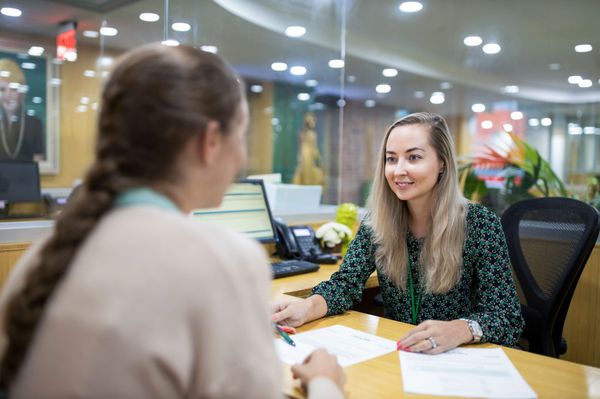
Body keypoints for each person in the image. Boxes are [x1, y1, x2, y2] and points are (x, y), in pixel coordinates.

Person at [0, 44, 345, 398]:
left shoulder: (41, 259)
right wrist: (324, 383)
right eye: (240, 137)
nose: (241, 158)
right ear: (210, 141)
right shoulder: (224, 260)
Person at [273, 112, 524, 354]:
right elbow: (345, 284)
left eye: (414, 157)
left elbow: (507, 318)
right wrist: (307, 307)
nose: (398, 170)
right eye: (391, 159)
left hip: (458, 358)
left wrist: (459, 330)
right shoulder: (378, 222)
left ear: (442, 163)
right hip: (400, 352)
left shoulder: (480, 224)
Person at [0, 58, 45, 161]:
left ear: (21, 93)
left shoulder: (35, 124)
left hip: (26, 176)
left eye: (13, 89)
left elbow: (38, 161)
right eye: (2, 89)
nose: (8, 96)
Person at [292, 112, 324, 186]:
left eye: (314, 121)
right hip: (306, 156)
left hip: (309, 156)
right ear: (308, 122)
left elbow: (314, 148)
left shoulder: (310, 133)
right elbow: (312, 148)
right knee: (305, 175)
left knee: (309, 176)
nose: (314, 123)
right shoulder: (306, 133)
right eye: (312, 121)